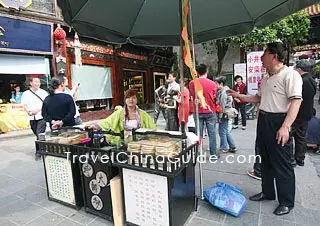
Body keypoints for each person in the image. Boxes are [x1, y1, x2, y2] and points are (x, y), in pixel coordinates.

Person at [228, 42, 302, 216]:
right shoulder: (267, 77)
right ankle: (268, 192)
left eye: (264, 54)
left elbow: (296, 102)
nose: (261, 58)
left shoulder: (290, 75)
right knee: (264, 159)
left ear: (274, 56)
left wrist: (285, 127)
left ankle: (286, 201)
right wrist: (238, 95)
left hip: (279, 121)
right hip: (264, 121)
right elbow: (257, 98)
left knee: (282, 163)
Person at [88, 89, 156, 146]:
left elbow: (152, 127)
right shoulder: (120, 112)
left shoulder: (143, 114)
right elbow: (108, 121)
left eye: (133, 97)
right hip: (123, 142)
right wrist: (96, 126)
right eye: (128, 98)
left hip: (139, 144)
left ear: (137, 100)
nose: (131, 100)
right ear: (125, 100)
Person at [291, 60, 317, 166]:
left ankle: (291, 159)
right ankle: (300, 159)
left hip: (298, 114)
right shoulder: (311, 80)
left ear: (300, 69)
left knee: (289, 135)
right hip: (307, 114)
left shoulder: (301, 81)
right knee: (301, 137)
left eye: (296, 68)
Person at [189, 64, 218, 158]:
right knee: (212, 134)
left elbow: (193, 96)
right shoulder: (213, 84)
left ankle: (198, 153)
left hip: (198, 111)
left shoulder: (192, 83)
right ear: (207, 72)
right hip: (210, 110)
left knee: (198, 134)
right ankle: (213, 154)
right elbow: (215, 97)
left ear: (197, 72)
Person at [21, 77, 48, 159]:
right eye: (36, 82)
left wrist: (37, 110)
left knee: (39, 133)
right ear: (31, 83)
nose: (38, 83)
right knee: (36, 133)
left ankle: (39, 152)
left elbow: (46, 104)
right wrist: (28, 111)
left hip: (41, 116)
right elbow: (24, 104)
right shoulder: (26, 93)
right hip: (32, 117)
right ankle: (44, 147)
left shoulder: (43, 92)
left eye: (39, 82)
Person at [215, 76, 237, 153]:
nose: (215, 85)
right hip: (226, 113)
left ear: (221, 84)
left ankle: (224, 147)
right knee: (225, 130)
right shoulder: (224, 90)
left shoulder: (224, 92)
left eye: (216, 83)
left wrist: (219, 117)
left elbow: (222, 106)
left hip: (224, 113)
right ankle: (232, 146)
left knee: (222, 131)